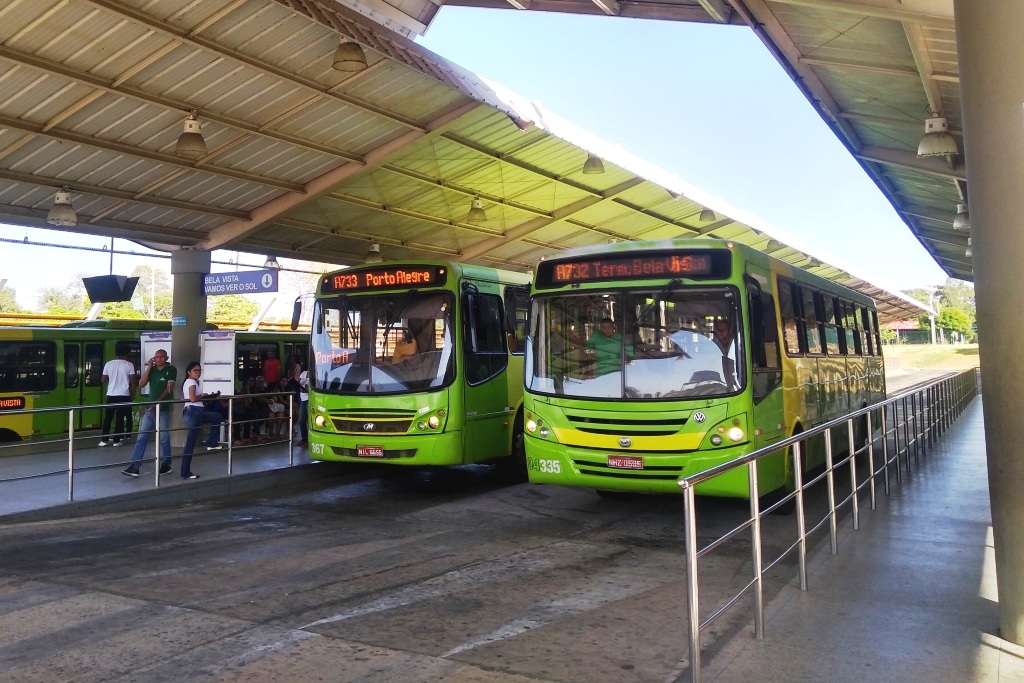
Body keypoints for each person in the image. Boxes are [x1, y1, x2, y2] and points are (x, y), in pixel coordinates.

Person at [122, 349, 176, 477]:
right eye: (156, 357)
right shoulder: (152, 370)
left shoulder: (171, 369)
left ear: (166, 358)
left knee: (164, 437)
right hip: (150, 408)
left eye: (161, 357)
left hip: (162, 408)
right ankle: (135, 466)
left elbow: (169, 389)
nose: (158, 359)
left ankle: (166, 463)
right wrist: (148, 368)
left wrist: (156, 402)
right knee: (142, 436)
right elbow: (141, 384)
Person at [179, 362, 224, 480]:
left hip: (197, 411)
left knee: (217, 417)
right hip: (194, 412)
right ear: (189, 372)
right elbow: (193, 398)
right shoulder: (191, 382)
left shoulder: (191, 382)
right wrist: (203, 396)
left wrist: (208, 398)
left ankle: (212, 443)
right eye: (195, 370)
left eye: (199, 370)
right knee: (190, 443)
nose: (198, 372)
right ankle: (185, 472)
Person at [99, 350, 136, 447]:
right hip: (124, 394)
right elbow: (133, 382)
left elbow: (103, 380)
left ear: (116, 355)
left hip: (111, 394)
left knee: (108, 418)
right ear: (125, 355)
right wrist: (132, 394)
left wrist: (112, 379)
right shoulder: (129, 365)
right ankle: (116, 440)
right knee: (119, 418)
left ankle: (104, 440)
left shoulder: (108, 364)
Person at [296, 367, 309, 448]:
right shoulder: (304, 373)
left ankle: (309, 440)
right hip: (303, 398)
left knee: (310, 420)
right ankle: (304, 439)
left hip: (310, 398)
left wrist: (307, 390)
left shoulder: (316, 373)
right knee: (301, 420)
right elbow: (298, 382)